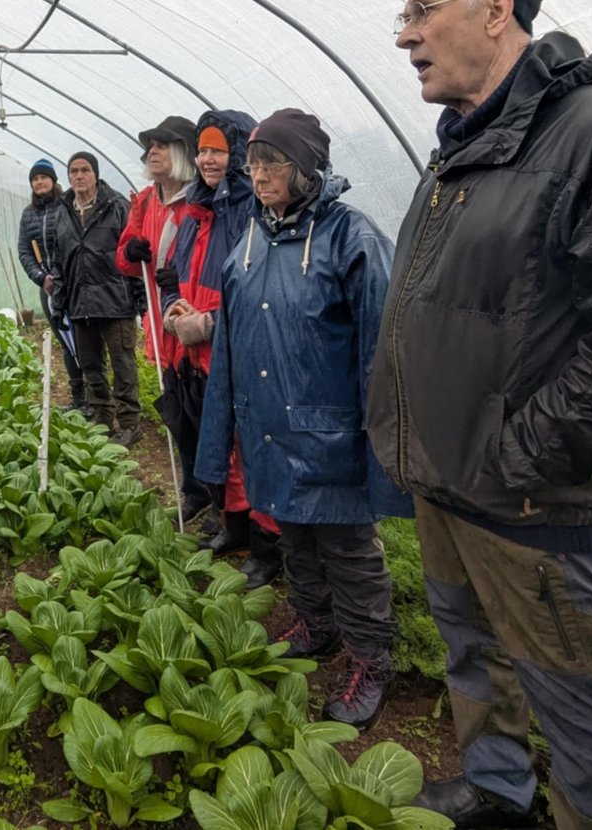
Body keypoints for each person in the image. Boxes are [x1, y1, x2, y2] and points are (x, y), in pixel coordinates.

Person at [368, 0, 592, 830]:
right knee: (471, 654)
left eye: (422, 12)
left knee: (582, 709)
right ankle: (498, 791)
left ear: (496, 10)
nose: (404, 36)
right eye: (403, 17)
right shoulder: (460, 149)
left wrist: (527, 450)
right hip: (448, 480)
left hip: (530, 500)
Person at [196, 109, 409, 730]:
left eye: (273, 163)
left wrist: (382, 450)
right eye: (253, 163)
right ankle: (317, 624)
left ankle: (372, 659)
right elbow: (231, 346)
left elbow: (383, 350)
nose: (258, 175)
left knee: (349, 550)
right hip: (269, 431)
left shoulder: (351, 237)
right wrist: (220, 443)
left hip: (332, 434)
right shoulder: (253, 239)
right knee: (295, 538)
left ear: (307, 169)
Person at [157, 111, 282, 585]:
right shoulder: (196, 209)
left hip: (236, 345)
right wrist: (171, 308)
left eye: (218, 149)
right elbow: (175, 271)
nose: (208, 158)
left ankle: (269, 545)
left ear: (238, 155)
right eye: (202, 149)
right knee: (218, 442)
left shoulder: (253, 207)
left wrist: (209, 323)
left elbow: (261, 285)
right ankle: (234, 527)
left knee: (250, 446)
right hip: (196, 351)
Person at [117, 117, 199, 503]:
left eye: (161, 145)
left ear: (182, 153)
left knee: (198, 410)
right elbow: (126, 257)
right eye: (149, 146)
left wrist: (181, 282)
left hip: (194, 323)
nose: (151, 152)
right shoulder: (147, 201)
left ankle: (210, 492)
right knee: (177, 409)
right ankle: (192, 489)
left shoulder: (198, 202)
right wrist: (132, 254)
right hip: (160, 322)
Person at [50, 151, 144, 447]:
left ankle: (130, 422)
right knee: (91, 365)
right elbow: (60, 260)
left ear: (95, 174)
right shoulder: (63, 211)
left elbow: (134, 256)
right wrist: (59, 301)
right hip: (80, 302)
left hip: (116, 301)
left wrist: (141, 303)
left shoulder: (116, 207)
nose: (78, 176)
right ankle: (103, 417)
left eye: (85, 170)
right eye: (73, 171)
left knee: (123, 364)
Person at [18, 157, 87, 412]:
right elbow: (24, 250)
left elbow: (71, 244)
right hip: (46, 288)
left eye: (43, 177)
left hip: (71, 284)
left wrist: (59, 276)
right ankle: (78, 396)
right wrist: (41, 276)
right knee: (65, 340)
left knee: (82, 339)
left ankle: (94, 396)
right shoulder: (29, 214)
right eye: (35, 179)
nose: (39, 182)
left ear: (53, 181)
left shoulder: (66, 207)